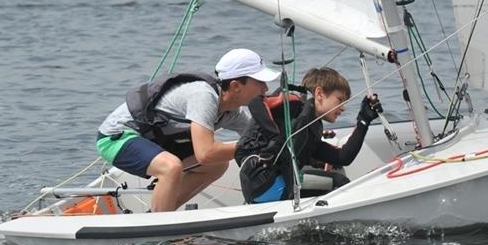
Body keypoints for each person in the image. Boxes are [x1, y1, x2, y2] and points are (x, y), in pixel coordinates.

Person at [96, 48, 280, 212]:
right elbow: (205, 153)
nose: (265, 88)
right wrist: (249, 145)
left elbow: (260, 138)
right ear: (235, 86)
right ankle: (161, 225)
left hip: (153, 140)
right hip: (117, 137)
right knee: (171, 167)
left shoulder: (233, 113)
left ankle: (161, 213)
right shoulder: (203, 96)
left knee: (218, 165)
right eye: (260, 83)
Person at [235, 67, 382, 203]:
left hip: (276, 186)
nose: (343, 108)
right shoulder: (293, 102)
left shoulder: (312, 128)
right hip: (266, 181)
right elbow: (255, 102)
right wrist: (274, 137)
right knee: (339, 182)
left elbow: (343, 157)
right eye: (339, 100)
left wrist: (363, 120)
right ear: (319, 94)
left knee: (333, 175)